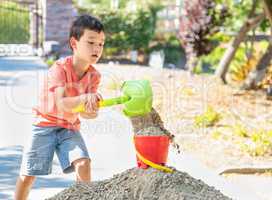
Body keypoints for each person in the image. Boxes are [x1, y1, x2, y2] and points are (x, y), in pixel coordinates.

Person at [14, 14, 105, 200]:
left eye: (101, 44)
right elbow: (62, 103)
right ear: (74, 43)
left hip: (69, 127)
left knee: (83, 164)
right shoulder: (59, 69)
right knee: (28, 175)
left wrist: (92, 110)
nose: (97, 48)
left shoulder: (94, 76)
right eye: (91, 42)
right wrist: (85, 98)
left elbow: (86, 114)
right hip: (44, 125)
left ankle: (84, 197)